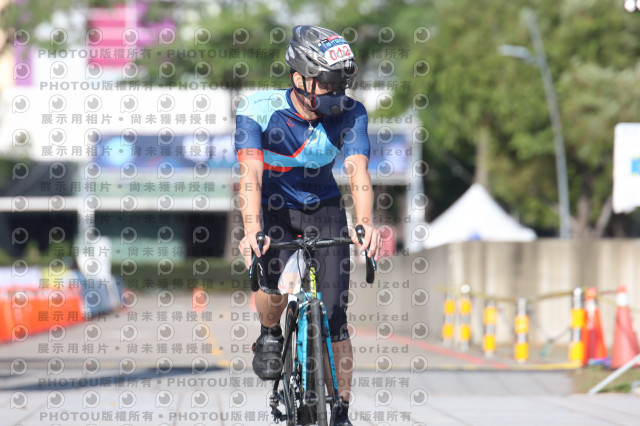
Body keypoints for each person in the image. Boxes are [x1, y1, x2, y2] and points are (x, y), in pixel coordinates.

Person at [234, 25, 381, 426]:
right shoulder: (258, 109)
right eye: (328, 82)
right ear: (299, 78)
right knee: (271, 289)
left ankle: (342, 410)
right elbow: (250, 175)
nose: (337, 92)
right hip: (273, 208)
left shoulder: (351, 113)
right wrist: (252, 229)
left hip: (324, 208)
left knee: (336, 317)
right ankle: (270, 332)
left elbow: (357, 170)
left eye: (342, 83)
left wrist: (364, 223)